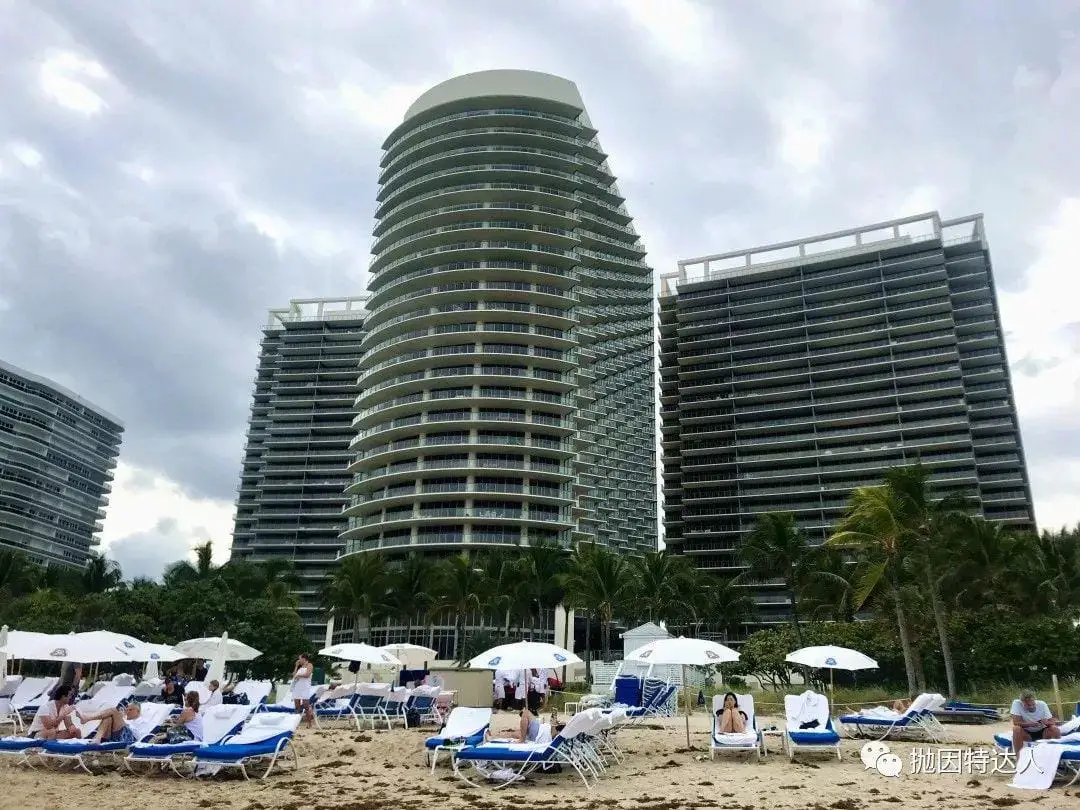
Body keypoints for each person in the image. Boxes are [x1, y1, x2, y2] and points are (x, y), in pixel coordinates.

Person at [75, 702, 141, 745]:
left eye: (130, 709)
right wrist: (121, 717)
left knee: (114, 710)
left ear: (138, 711)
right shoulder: (125, 719)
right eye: (127, 709)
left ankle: (87, 718)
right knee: (108, 717)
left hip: (129, 738)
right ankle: (97, 739)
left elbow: (139, 736)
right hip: (116, 735)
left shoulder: (141, 720)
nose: (127, 711)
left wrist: (120, 718)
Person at [291, 653, 315, 727]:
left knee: (306, 705)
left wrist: (299, 675)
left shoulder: (309, 665)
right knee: (297, 706)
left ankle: (309, 723)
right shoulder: (300, 667)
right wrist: (296, 666)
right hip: (297, 687)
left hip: (305, 688)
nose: (299, 660)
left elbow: (307, 675)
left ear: (304, 659)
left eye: (300, 658)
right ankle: (296, 724)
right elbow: (294, 675)